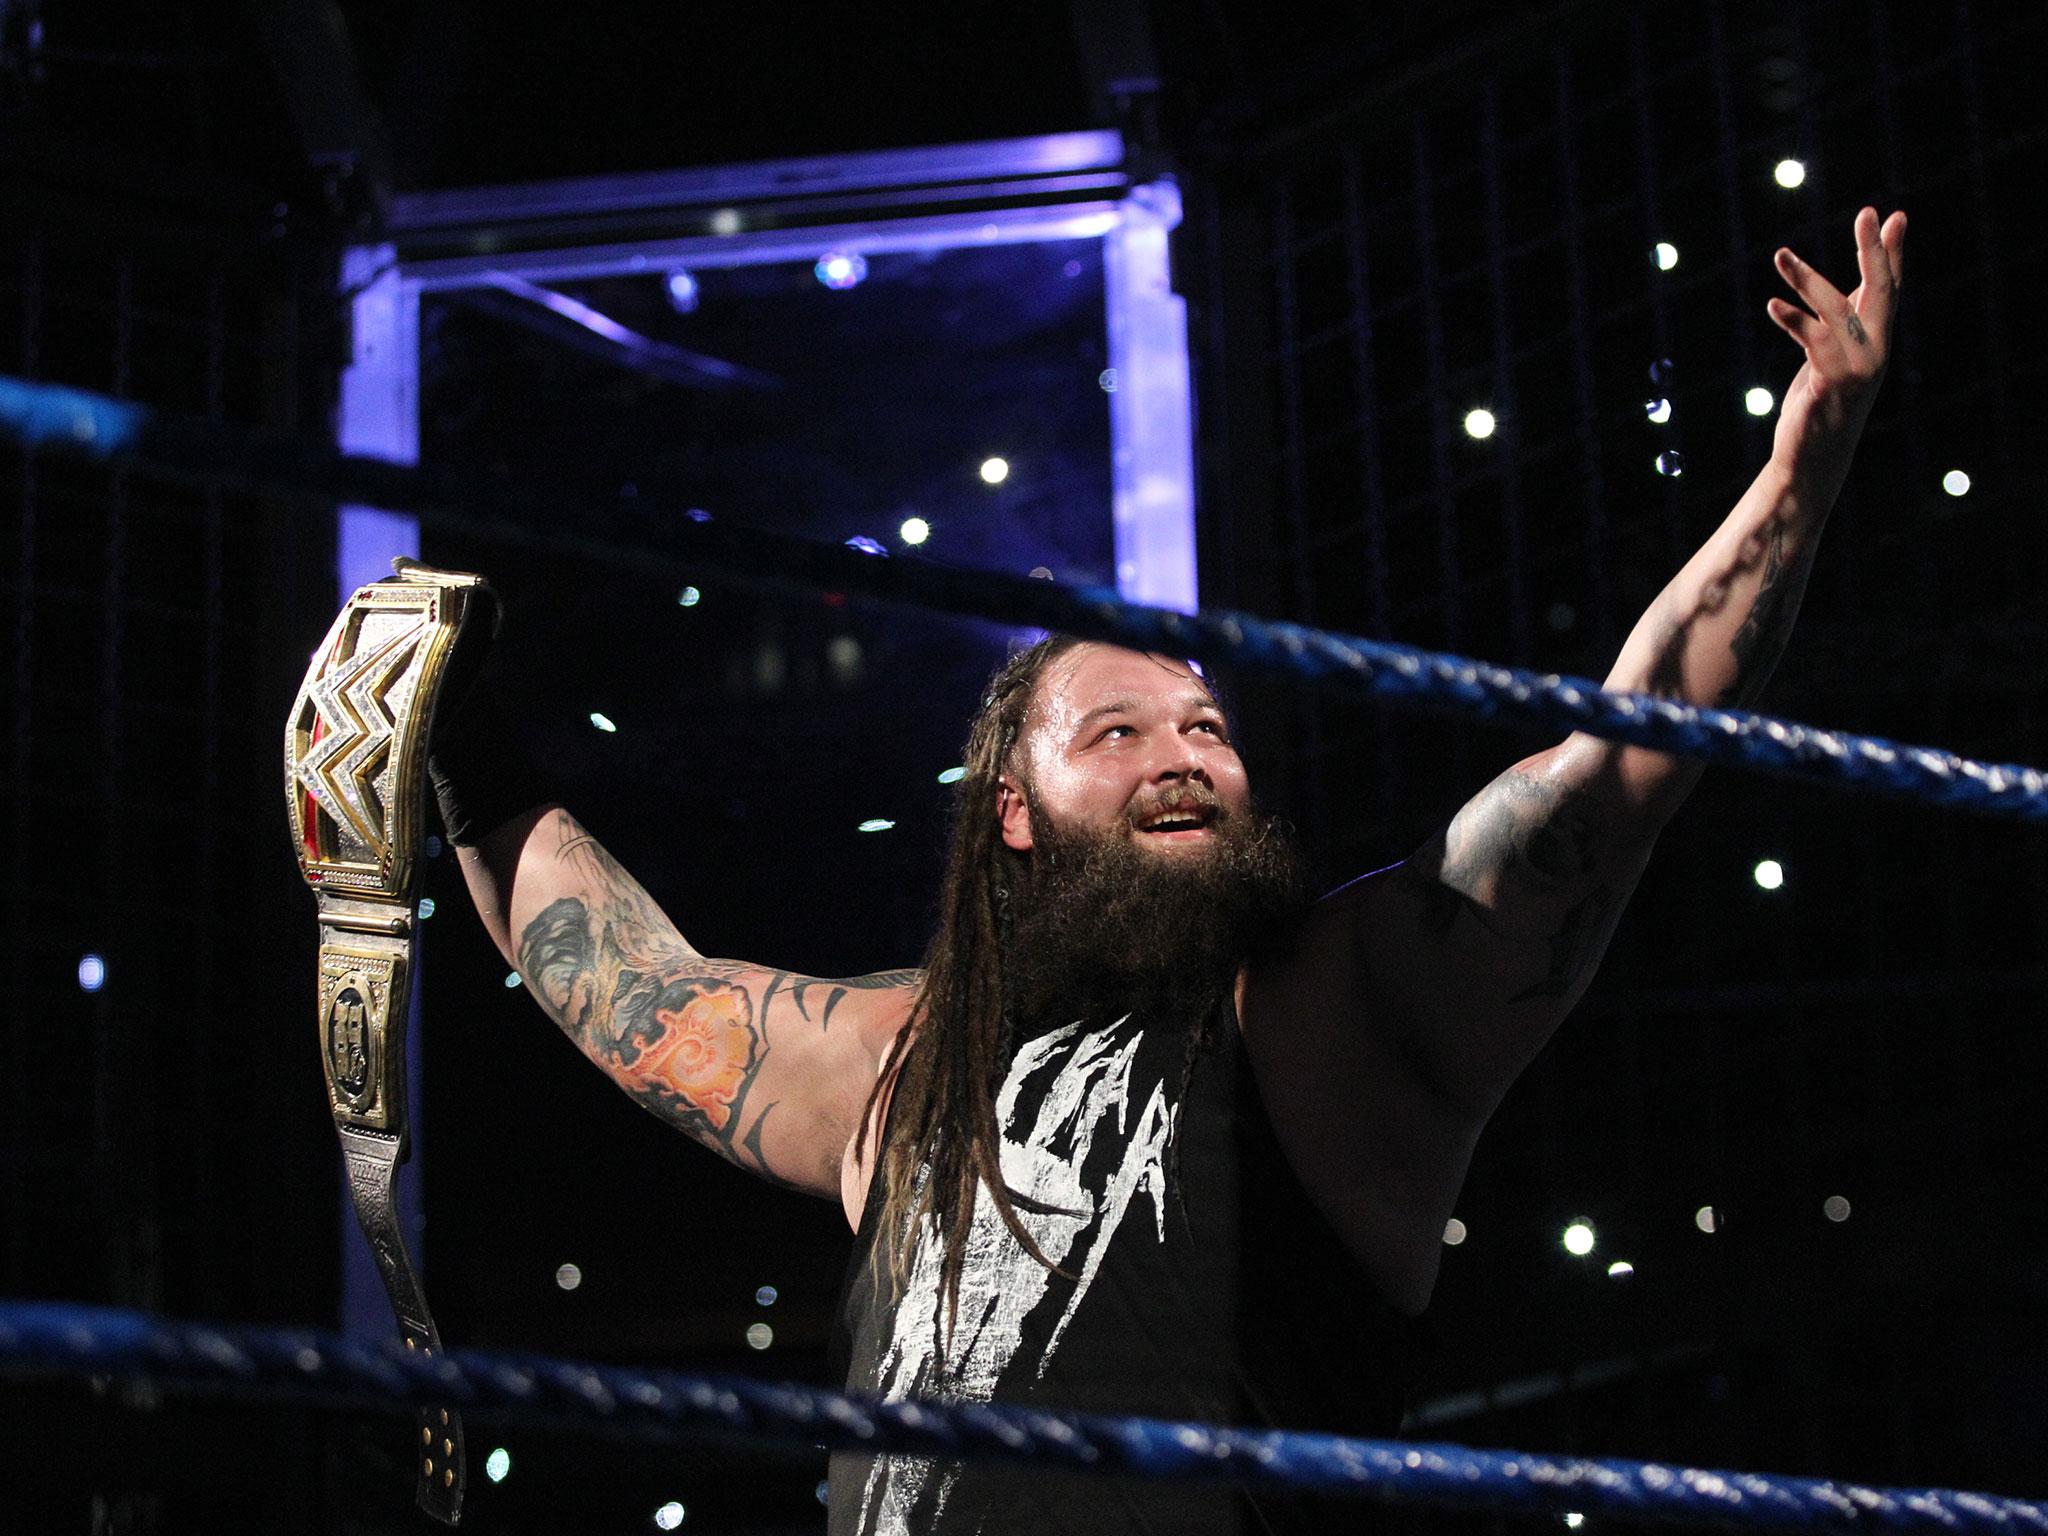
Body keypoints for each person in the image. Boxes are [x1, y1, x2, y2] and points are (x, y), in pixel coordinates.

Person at [434, 208, 1905, 1534]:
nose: (1183, 755)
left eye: (1206, 724)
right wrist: (455, 746)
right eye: (1119, 731)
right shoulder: (898, 1068)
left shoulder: (1335, 1011)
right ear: (1013, 809)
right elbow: (637, 991)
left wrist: (1803, 468)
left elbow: (1612, 769)